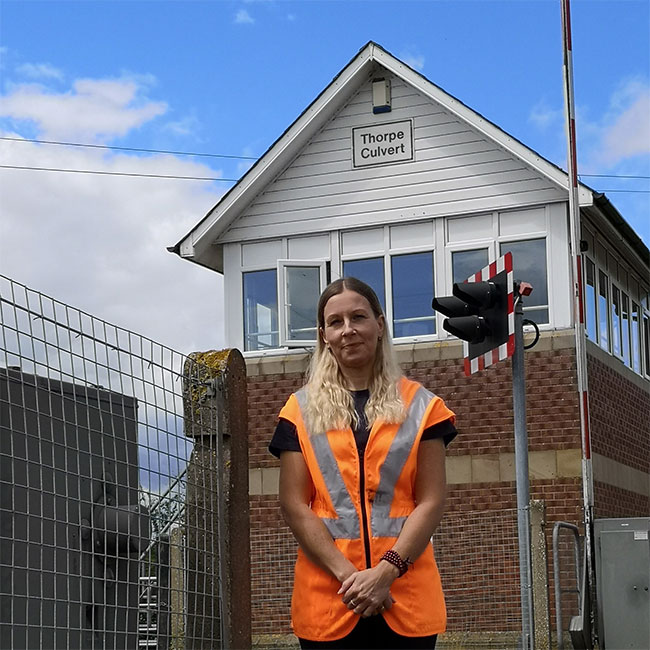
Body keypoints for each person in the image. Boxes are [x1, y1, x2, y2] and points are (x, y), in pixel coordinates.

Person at [269, 277, 457, 649]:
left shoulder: (424, 407)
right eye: (335, 322)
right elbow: (294, 505)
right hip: (330, 597)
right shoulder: (298, 411)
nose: (348, 330)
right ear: (323, 335)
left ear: (380, 324)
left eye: (358, 317)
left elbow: (431, 501)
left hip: (404, 594)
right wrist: (354, 580)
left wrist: (385, 574)